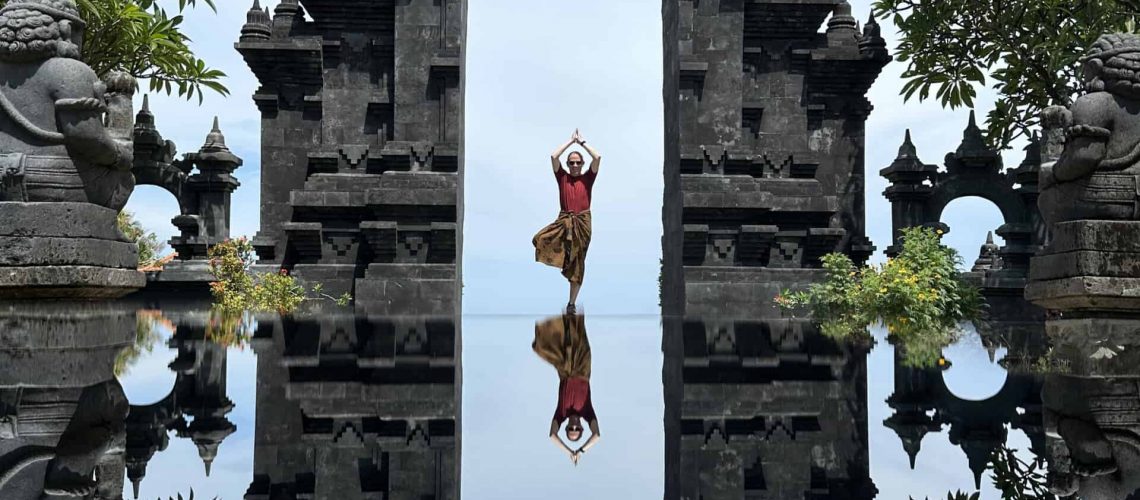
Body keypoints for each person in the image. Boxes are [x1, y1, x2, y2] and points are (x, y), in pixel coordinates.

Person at [533, 129, 601, 313]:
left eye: (578, 162)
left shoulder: (588, 178)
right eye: (572, 162)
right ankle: (561, 260)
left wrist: (582, 143)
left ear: (582, 164)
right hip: (564, 220)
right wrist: (570, 143)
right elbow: (554, 157)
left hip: (583, 222)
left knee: (578, 262)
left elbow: (598, 157)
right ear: (568, 164)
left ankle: (571, 304)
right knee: (539, 239)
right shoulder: (562, 177)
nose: (575, 165)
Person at [532, 313, 600, 465]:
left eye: (571, 428)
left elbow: (552, 435)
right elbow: (597, 435)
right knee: (578, 332)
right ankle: (573, 309)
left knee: (558, 341)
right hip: (583, 369)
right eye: (577, 428)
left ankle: (564, 313)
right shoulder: (587, 412)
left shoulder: (561, 413)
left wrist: (569, 451)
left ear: (567, 426)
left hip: (565, 371)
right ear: (582, 427)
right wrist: (581, 450)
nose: (574, 425)